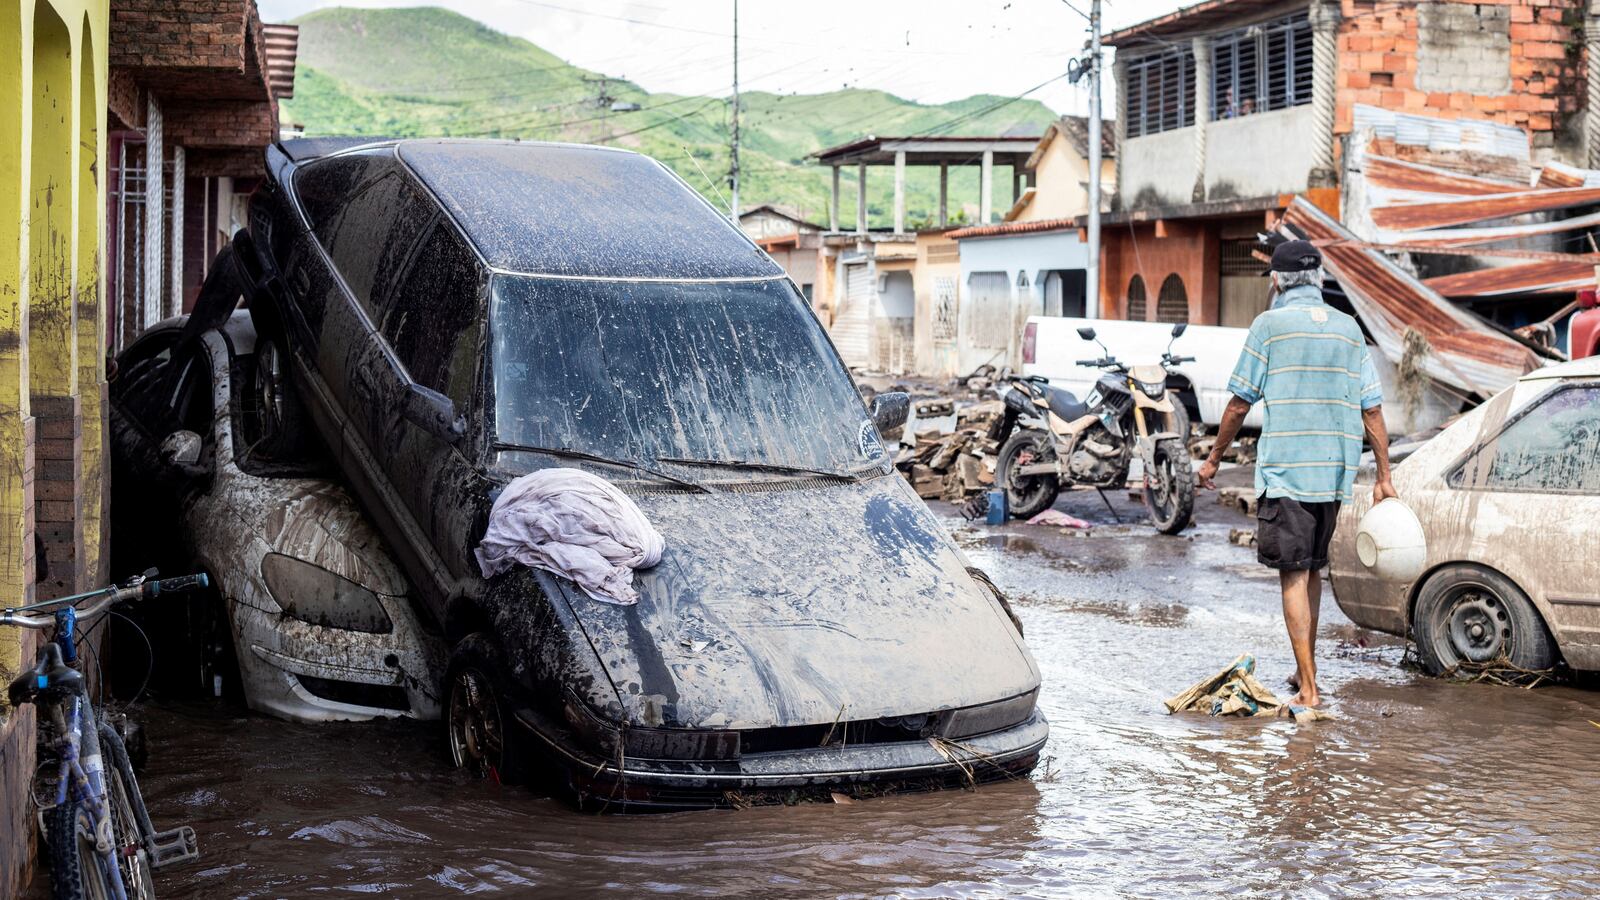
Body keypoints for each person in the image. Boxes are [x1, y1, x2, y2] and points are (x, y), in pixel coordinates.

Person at [1195, 239, 1397, 708]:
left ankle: (1309, 690)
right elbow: (1372, 409)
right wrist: (1384, 476)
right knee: (1311, 571)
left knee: (1292, 573)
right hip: (1333, 475)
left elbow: (1239, 402)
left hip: (1287, 472)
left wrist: (1213, 460)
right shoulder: (1349, 330)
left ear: (1278, 281)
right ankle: (1305, 668)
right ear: (1319, 279)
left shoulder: (1269, 326)